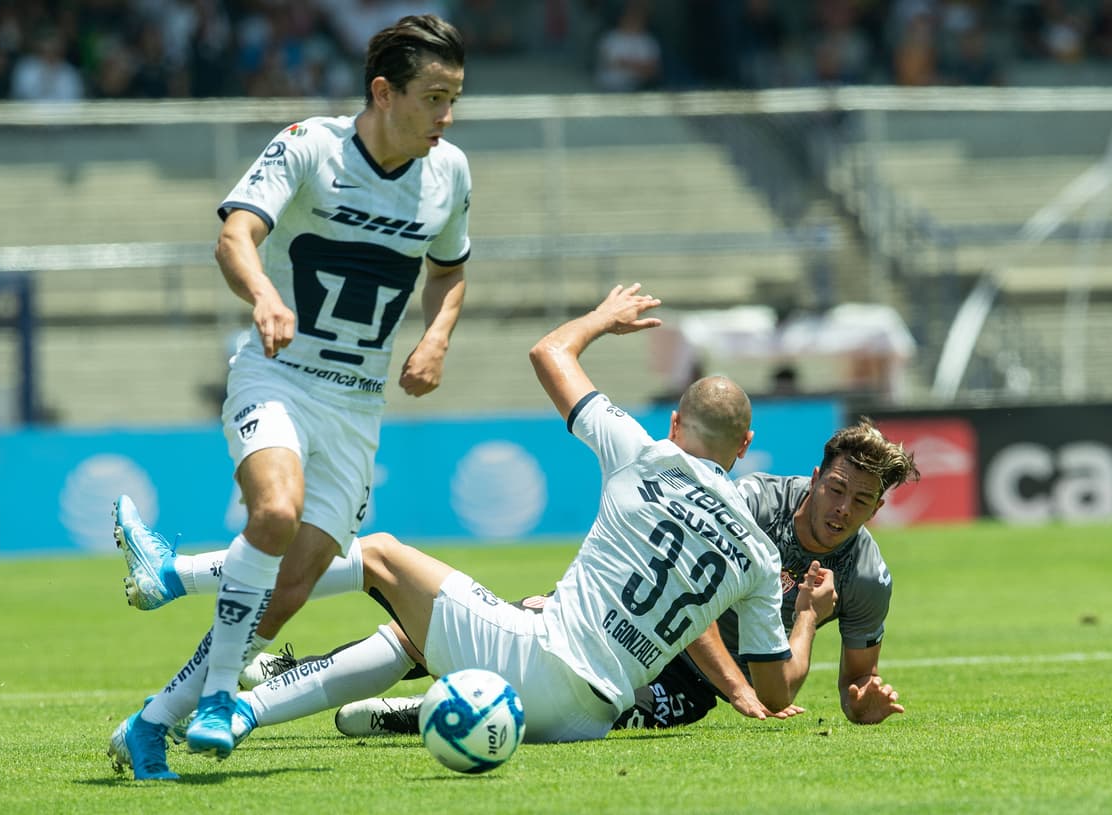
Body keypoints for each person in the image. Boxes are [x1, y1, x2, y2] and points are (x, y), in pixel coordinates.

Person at [110, 283, 836, 776]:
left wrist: (603, 318)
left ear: (677, 425)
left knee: (385, 555)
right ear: (744, 450)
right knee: (409, 636)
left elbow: (549, 352)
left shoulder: (643, 451)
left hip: (539, 658)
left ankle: (178, 574)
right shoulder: (751, 548)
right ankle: (239, 712)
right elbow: (773, 693)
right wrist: (806, 619)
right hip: (591, 713)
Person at [107, 14, 472, 780]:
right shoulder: (310, 145)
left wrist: (436, 335)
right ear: (383, 91)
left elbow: (448, 270)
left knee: (287, 591)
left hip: (357, 406)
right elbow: (235, 235)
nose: (446, 116)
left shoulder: (451, 173)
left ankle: (149, 717)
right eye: (434, 97)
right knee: (272, 512)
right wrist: (266, 294)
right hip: (278, 375)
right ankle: (215, 699)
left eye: (454, 99)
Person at [327, 415, 915, 736]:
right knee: (448, 633)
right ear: (816, 478)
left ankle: (416, 715)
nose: (842, 509)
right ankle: (301, 669)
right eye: (836, 489)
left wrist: (859, 704)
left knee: (596, 712)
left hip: (688, 685)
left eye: (861, 501)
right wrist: (743, 683)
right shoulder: (751, 505)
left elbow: (853, 682)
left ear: (877, 509)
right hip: (618, 624)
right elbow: (694, 602)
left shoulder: (867, 576)